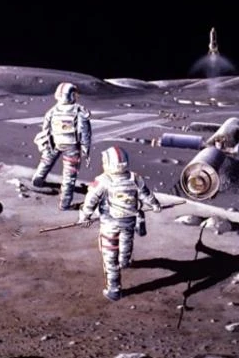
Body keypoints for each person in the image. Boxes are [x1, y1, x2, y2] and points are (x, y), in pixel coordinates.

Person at [78, 146, 161, 301]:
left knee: (110, 256)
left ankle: (114, 289)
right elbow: (146, 194)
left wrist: (85, 216)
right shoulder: (134, 178)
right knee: (126, 242)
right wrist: (155, 205)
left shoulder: (103, 180)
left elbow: (91, 200)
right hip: (129, 220)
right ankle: (125, 261)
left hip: (109, 224)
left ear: (108, 163)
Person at [31, 82, 92, 210]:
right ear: (71, 95)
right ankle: (65, 203)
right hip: (72, 146)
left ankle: (38, 180)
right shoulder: (79, 111)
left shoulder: (52, 111)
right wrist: (85, 148)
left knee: (46, 162)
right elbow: (85, 131)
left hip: (54, 143)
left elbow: (45, 129)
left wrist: (46, 143)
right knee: (69, 175)